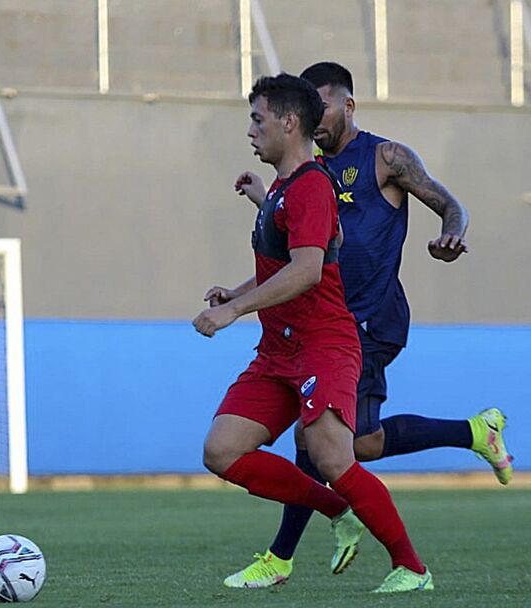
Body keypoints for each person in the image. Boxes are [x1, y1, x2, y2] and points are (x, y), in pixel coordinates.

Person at [224, 61, 513, 589]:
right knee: (361, 445)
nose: (314, 117)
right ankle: (475, 431)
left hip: (369, 320)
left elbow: (449, 203)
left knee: (320, 445)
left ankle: (284, 557)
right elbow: (304, 248)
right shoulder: (302, 172)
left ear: (347, 106)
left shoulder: (386, 158)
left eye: (324, 106)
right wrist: (263, 213)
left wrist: (451, 235)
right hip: (319, 320)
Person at [193, 72, 433, 593]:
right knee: (221, 451)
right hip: (278, 352)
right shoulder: (286, 189)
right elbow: (302, 257)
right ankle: (338, 512)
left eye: (258, 119)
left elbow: (306, 271)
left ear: (288, 121)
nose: (251, 131)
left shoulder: (311, 186)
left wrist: (232, 314)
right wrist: (237, 294)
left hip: (323, 346)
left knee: (333, 457)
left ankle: (412, 570)